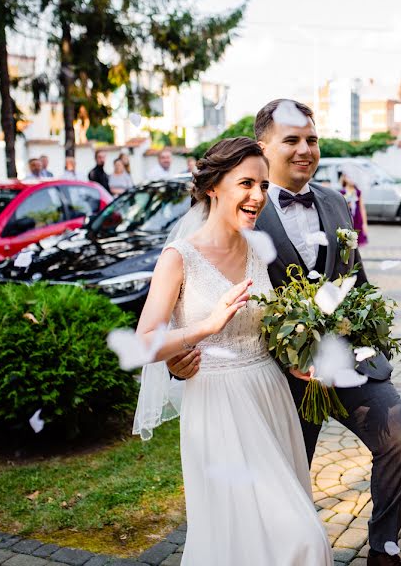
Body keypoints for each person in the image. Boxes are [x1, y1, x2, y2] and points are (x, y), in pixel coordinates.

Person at [133, 137, 332, 565]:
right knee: (296, 540)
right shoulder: (179, 257)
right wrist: (205, 326)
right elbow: (144, 342)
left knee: (269, 541)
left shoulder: (258, 248)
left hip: (269, 397)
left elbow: (266, 325)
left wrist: (294, 358)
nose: (258, 196)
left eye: (262, 185)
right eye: (246, 184)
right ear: (213, 188)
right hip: (218, 408)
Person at [255, 99, 401, 566]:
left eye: (311, 139)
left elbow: (354, 280)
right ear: (263, 146)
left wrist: (369, 344)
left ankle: (384, 549)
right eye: (292, 140)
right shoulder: (244, 208)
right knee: (288, 476)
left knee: (400, 437)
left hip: (349, 359)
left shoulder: (335, 201)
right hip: (280, 377)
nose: (305, 149)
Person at [338, 170, 369, 247]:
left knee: (357, 242)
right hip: (347, 220)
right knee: (347, 242)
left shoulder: (358, 192)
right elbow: (340, 209)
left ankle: (356, 257)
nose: (352, 179)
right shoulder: (342, 192)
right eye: (350, 177)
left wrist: (364, 224)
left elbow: (362, 208)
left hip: (357, 220)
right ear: (345, 178)